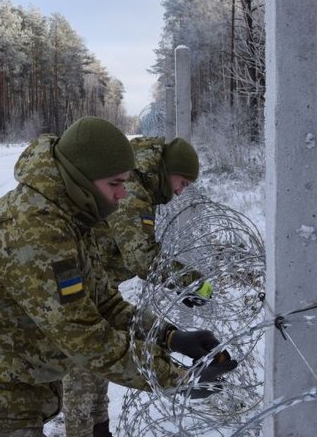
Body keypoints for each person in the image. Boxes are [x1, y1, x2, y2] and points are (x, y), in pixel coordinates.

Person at [0, 117, 235, 437]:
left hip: (17, 385)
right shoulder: (34, 229)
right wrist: (176, 378)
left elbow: (105, 304)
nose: (123, 194)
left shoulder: (71, 217)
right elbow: (84, 336)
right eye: (115, 184)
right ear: (81, 177)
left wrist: (170, 337)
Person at [61, 136, 213, 437]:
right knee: (84, 373)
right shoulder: (134, 191)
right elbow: (141, 256)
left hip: (98, 285)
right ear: (169, 170)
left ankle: (98, 430)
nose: (181, 191)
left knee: (96, 369)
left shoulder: (143, 186)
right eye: (182, 182)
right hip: (81, 289)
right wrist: (189, 282)